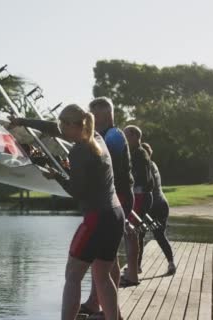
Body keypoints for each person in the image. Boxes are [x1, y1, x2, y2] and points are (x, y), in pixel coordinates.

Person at [9, 104, 125, 320]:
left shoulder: (79, 150)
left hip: (96, 218)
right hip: (116, 215)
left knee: (72, 276)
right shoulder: (97, 137)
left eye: (64, 125)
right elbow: (54, 128)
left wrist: (58, 176)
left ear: (74, 125)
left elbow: (77, 192)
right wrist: (23, 121)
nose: (60, 129)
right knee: (102, 276)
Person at [78, 97, 139, 316]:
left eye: (92, 114)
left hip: (118, 197)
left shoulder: (113, 135)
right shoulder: (105, 135)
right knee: (107, 257)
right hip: (114, 197)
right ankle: (99, 304)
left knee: (102, 257)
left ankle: (103, 307)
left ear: (104, 114)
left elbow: (105, 166)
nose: (89, 118)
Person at [123, 125, 154, 275]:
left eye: (126, 135)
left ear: (135, 136)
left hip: (141, 196)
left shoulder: (139, 154)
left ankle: (135, 268)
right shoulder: (136, 152)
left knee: (134, 232)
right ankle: (135, 266)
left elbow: (140, 178)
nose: (124, 138)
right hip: (140, 196)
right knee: (134, 232)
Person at [142, 142, 176, 275]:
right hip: (161, 204)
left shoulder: (145, 166)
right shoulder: (153, 164)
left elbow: (146, 187)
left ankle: (137, 266)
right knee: (158, 235)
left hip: (153, 207)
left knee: (140, 234)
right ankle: (171, 263)